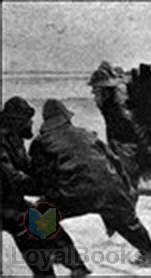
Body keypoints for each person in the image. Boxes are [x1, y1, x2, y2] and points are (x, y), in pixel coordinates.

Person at [28, 99, 151, 265]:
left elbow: (41, 177)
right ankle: (149, 253)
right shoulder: (88, 134)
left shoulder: (41, 142)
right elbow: (116, 162)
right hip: (111, 189)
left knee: (39, 213)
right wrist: (126, 188)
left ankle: (61, 255)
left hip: (75, 193)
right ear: (66, 117)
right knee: (128, 222)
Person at [0, 97, 91, 277]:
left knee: (43, 217)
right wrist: (41, 186)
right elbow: (12, 177)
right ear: (15, 121)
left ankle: (76, 266)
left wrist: (52, 178)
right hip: (4, 202)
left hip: (10, 200)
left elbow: (27, 166)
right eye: (27, 120)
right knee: (24, 224)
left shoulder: (14, 138)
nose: (31, 123)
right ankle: (45, 274)